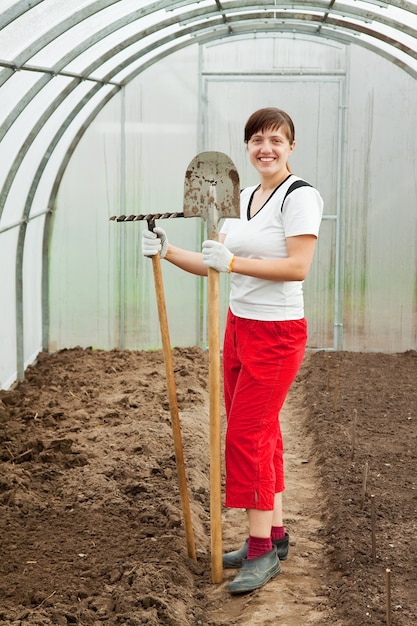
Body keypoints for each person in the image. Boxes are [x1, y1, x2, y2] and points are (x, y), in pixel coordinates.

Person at [142, 107, 323, 594]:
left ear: (291, 146)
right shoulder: (241, 196)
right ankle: (274, 536)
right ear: (247, 146)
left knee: (246, 437)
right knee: (264, 435)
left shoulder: (300, 197)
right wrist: (167, 251)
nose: (266, 148)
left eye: (276, 140)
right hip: (239, 328)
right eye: (257, 140)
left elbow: (298, 267)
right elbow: (213, 265)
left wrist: (235, 259)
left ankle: (261, 554)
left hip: (278, 334)